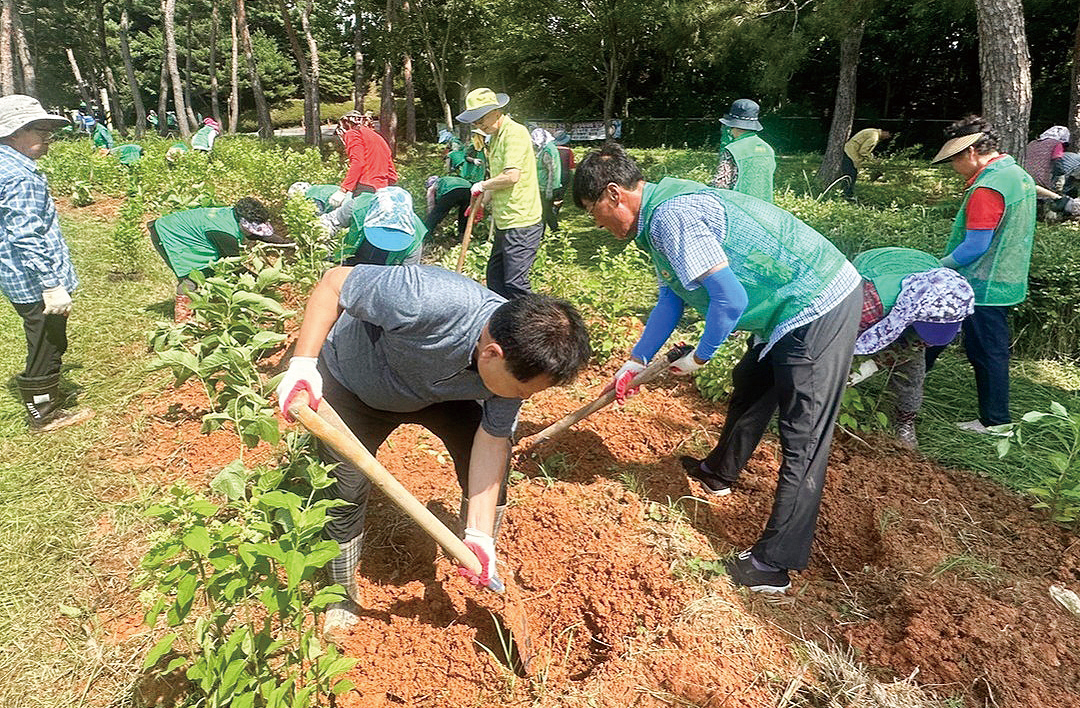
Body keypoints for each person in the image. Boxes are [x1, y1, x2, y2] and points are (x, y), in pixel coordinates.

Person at [574, 142, 862, 594]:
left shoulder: (672, 216)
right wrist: (636, 360)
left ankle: (773, 564)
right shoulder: (656, 219)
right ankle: (719, 473)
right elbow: (671, 296)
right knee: (751, 381)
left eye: (594, 212)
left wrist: (701, 355)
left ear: (614, 194)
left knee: (803, 435)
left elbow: (731, 300)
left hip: (819, 301)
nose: (598, 224)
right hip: (784, 309)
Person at [274, 265, 591, 639]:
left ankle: (482, 553)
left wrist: (479, 532)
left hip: (442, 396)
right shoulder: (424, 298)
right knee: (344, 491)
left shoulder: (515, 369)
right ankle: (341, 595)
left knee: (493, 475)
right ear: (492, 353)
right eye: (523, 391)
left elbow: (490, 442)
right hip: (356, 386)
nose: (525, 399)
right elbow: (332, 284)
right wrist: (303, 364)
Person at [926, 115, 1036, 433]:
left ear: (971, 152)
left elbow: (975, 246)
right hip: (1004, 277)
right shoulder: (1016, 174)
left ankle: (995, 421)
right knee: (934, 335)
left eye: (953, 161)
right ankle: (904, 393)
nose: (952, 168)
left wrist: (938, 265)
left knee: (986, 351)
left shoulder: (988, 187)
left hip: (982, 283)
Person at [0, 95, 94, 432]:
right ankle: (43, 413)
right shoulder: (19, 177)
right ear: (13, 132)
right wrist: (51, 285)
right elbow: (26, 235)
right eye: (40, 129)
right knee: (47, 341)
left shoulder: (6, 164)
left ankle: (46, 397)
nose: (48, 137)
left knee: (47, 337)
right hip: (34, 280)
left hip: (15, 274)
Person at [850, 247, 974, 449]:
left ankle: (904, 422)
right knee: (844, 355)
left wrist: (873, 365)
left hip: (921, 277)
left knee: (913, 371)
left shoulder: (952, 298)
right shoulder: (871, 301)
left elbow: (912, 346)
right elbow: (839, 338)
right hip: (876, 269)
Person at [455, 88, 544, 299]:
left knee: (515, 283)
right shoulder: (494, 138)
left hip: (522, 220)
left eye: (482, 119)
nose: (479, 125)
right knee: (495, 279)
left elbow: (512, 176)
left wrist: (483, 185)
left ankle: (537, 325)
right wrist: (482, 203)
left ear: (497, 111)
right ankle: (501, 327)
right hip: (505, 220)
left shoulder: (515, 133)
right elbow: (497, 182)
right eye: (475, 122)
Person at [147, 197, 293, 321]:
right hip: (170, 234)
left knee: (209, 269)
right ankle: (183, 319)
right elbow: (234, 266)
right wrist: (264, 285)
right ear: (243, 223)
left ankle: (206, 304)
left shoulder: (235, 215)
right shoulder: (224, 233)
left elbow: (261, 234)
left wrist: (288, 244)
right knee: (192, 276)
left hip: (190, 230)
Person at [327, 186, 426, 266]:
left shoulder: (415, 236)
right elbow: (329, 222)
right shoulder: (359, 207)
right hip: (352, 258)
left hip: (385, 271)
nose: (386, 240)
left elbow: (408, 276)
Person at [327, 111, 398, 209]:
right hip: (384, 188)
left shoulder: (353, 133)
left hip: (366, 187)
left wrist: (343, 190)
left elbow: (358, 162)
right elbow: (392, 173)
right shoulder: (378, 137)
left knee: (358, 220)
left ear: (347, 123)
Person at [711, 99, 776, 203]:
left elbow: (721, 185)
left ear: (731, 125)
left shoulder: (732, 149)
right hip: (764, 209)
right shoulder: (768, 148)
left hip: (739, 208)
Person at [841, 127, 891, 200]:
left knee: (850, 174)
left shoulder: (873, 131)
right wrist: (873, 160)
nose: (887, 137)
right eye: (889, 135)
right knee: (851, 175)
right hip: (851, 153)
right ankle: (846, 195)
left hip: (850, 151)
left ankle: (846, 194)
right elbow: (863, 151)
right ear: (885, 131)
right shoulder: (874, 137)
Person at [531, 127, 563, 233]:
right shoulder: (548, 147)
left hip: (547, 186)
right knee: (547, 211)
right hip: (546, 185)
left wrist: (549, 190)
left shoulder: (548, 150)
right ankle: (554, 231)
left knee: (544, 212)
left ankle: (545, 233)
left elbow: (552, 172)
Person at [424, 173, 474, 240]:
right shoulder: (447, 179)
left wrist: (431, 213)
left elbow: (431, 203)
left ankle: (426, 234)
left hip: (452, 190)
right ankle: (462, 235)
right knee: (464, 214)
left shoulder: (434, 185)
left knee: (436, 213)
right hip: (469, 190)